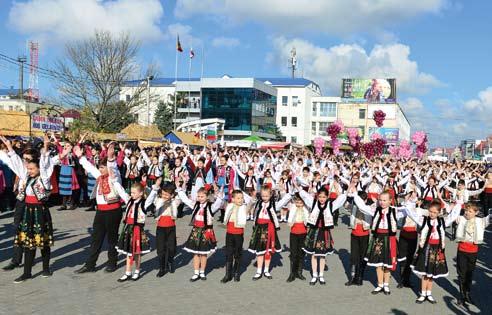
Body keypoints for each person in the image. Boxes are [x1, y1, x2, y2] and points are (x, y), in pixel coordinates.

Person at [1, 135, 55, 283]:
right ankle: (27, 272)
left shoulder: (44, 178)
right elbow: (18, 164)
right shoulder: (27, 176)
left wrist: (45, 147)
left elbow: (44, 166)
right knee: (28, 243)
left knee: (42, 242)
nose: (29, 170)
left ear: (38, 168)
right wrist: (10, 149)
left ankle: (46, 268)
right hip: (28, 210)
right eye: (28, 168)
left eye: (32, 168)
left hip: (40, 211)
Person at [73, 144, 129, 274]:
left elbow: (113, 169)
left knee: (112, 239)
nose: (101, 169)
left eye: (103, 167)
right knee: (96, 239)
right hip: (101, 211)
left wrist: (110, 159)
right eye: (100, 167)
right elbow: (89, 167)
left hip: (113, 211)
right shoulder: (100, 176)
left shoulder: (115, 178)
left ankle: (112, 262)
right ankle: (90, 264)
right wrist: (80, 156)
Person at [351, 190, 408, 295]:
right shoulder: (375, 210)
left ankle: (386, 285)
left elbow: (408, 211)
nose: (382, 202)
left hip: (389, 238)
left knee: (387, 264)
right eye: (380, 200)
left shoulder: (395, 211)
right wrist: (355, 194)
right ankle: (380, 284)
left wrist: (409, 202)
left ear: (391, 201)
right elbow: (363, 207)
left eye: (385, 200)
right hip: (378, 239)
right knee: (378, 263)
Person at [405, 198, 462, 304]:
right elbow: (411, 214)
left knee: (431, 273)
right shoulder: (423, 220)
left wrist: (458, 205)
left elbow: (453, 216)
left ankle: (429, 293)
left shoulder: (442, 221)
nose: (432, 214)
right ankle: (422, 294)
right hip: (426, 248)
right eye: (430, 211)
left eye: (435, 212)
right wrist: (409, 203)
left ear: (439, 213)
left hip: (437, 249)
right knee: (424, 272)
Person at [298, 187, 347, 285]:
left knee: (322, 255)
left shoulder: (330, 205)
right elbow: (305, 196)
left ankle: (321, 275)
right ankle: (314, 275)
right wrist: (297, 187)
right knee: (313, 254)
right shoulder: (313, 203)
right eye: (320, 196)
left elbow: (340, 200)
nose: (321, 199)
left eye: (324, 197)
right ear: (317, 196)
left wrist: (348, 191)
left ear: (327, 197)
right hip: (314, 231)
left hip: (324, 232)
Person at [177, 183, 223, 281]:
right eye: (198, 196)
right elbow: (185, 200)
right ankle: (196, 272)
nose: (200, 198)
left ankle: (202, 272)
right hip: (196, 231)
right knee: (195, 253)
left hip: (206, 231)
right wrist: (179, 189)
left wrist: (217, 192)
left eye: (202, 196)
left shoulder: (211, 207)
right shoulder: (195, 204)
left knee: (203, 253)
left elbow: (219, 202)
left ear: (207, 197)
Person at [248, 185, 291, 280]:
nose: (264, 198)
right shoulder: (259, 203)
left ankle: (266, 270)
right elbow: (251, 203)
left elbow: (283, 201)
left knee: (268, 251)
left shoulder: (274, 204)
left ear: (270, 195)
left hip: (269, 228)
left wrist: (289, 193)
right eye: (263, 196)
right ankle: (259, 271)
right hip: (259, 228)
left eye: (266, 196)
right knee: (259, 251)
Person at [454, 203, 491, 306]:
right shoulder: (461, 219)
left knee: (469, 274)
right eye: (466, 210)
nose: (467, 213)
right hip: (462, 250)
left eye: (470, 211)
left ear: (476, 212)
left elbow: (490, 216)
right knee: (461, 273)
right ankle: (461, 296)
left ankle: (467, 294)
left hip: (473, 251)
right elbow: (452, 214)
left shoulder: (481, 221)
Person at [116, 183, 150, 282]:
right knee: (128, 252)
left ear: (140, 193)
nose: (132, 194)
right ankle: (127, 272)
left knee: (137, 252)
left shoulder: (144, 203)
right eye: (131, 192)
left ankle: (137, 271)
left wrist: (155, 188)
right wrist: (115, 181)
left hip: (137, 229)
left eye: (134, 193)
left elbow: (151, 197)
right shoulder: (129, 201)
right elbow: (122, 192)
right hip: (128, 228)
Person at [146, 179, 180, 277]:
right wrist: (155, 186)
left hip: (171, 227)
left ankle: (170, 261)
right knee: (160, 249)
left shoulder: (175, 202)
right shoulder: (159, 201)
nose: (165, 196)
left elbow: (183, 197)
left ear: (172, 195)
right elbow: (150, 196)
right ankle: (162, 268)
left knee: (172, 248)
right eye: (163, 194)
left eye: (167, 194)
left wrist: (180, 188)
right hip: (160, 228)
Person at [220, 189, 251, 283]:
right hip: (229, 233)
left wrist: (247, 196)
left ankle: (237, 273)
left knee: (238, 253)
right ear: (233, 199)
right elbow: (221, 201)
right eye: (238, 198)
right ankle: (228, 275)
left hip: (238, 234)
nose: (240, 200)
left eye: (242, 198)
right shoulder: (229, 206)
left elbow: (251, 202)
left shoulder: (244, 207)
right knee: (229, 253)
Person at [344, 191, 372, 286]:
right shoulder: (354, 207)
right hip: (355, 233)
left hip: (365, 234)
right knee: (354, 257)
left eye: (362, 200)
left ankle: (360, 277)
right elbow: (346, 205)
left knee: (362, 256)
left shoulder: (369, 208)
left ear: (365, 200)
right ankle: (352, 278)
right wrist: (349, 197)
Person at [286, 193, 309, 282]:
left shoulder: (306, 209)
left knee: (301, 253)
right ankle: (292, 273)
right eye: (297, 202)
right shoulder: (292, 207)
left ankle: (299, 272)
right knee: (293, 253)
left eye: (300, 202)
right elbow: (286, 199)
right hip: (294, 233)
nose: (299, 204)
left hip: (303, 232)